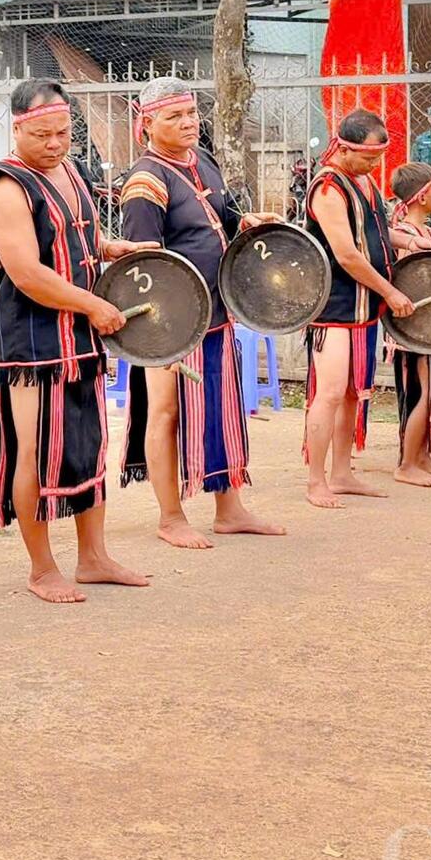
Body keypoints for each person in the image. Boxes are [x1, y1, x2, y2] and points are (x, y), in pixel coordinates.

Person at [0, 79, 154, 602]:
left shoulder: (70, 171)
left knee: (89, 443)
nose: (55, 143)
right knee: (33, 451)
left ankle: (94, 557)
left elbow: (76, 236)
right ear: (17, 127)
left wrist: (112, 247)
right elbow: (26, 271)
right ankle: (41, 568)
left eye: (63, 133)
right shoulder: (7, 185)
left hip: (78, 330)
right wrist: (93, 304)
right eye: (43, 134)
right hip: (31, 339)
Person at [120, 76, 287, 545]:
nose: (189, 122)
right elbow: (142, 263)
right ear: (148, 124)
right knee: (166, 411)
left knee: (222, 407)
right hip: (169, 322)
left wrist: (244, 221)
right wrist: (157, 338)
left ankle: (229, 508)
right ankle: (170, 517)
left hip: (217, 310)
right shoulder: (145, 182)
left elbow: (221, 211)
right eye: (175, 117)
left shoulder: (202, 161)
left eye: (191, 113)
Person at [301, 110, 415, 508]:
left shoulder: (362, 180)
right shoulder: (328, 188)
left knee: (353, 393)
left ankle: (343, 473)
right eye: (368, 157)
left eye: (378, 156)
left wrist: (409, 241)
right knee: (329, 393)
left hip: (363, 303)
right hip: (334, 304)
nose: (375, 164)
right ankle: (317, 481)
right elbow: (347, 254)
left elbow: (374, 231)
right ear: (344, 148)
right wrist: (391, 291)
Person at [385, 163, 431, 489]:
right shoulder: (406, 235)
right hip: (411, 331)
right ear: (421, 197)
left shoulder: (427, 233)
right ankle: (406, 463)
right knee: (419, 393)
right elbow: (409, 282)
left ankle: (425, 457)